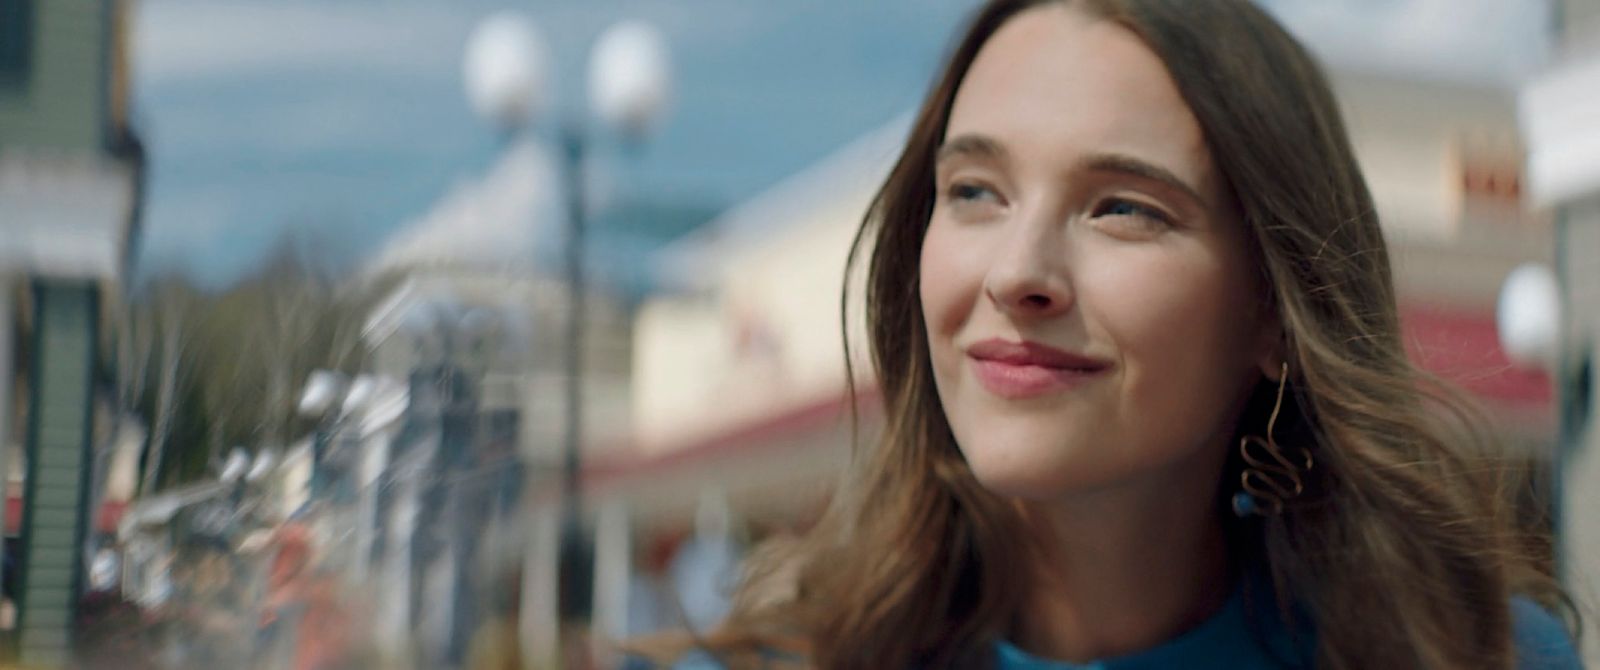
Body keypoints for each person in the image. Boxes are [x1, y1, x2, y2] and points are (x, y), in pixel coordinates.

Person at [635, 1, 1584, 668]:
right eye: (974, 191)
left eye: (1123, 208)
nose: (1016, 273)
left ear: (1274, 311)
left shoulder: (1476, 656)